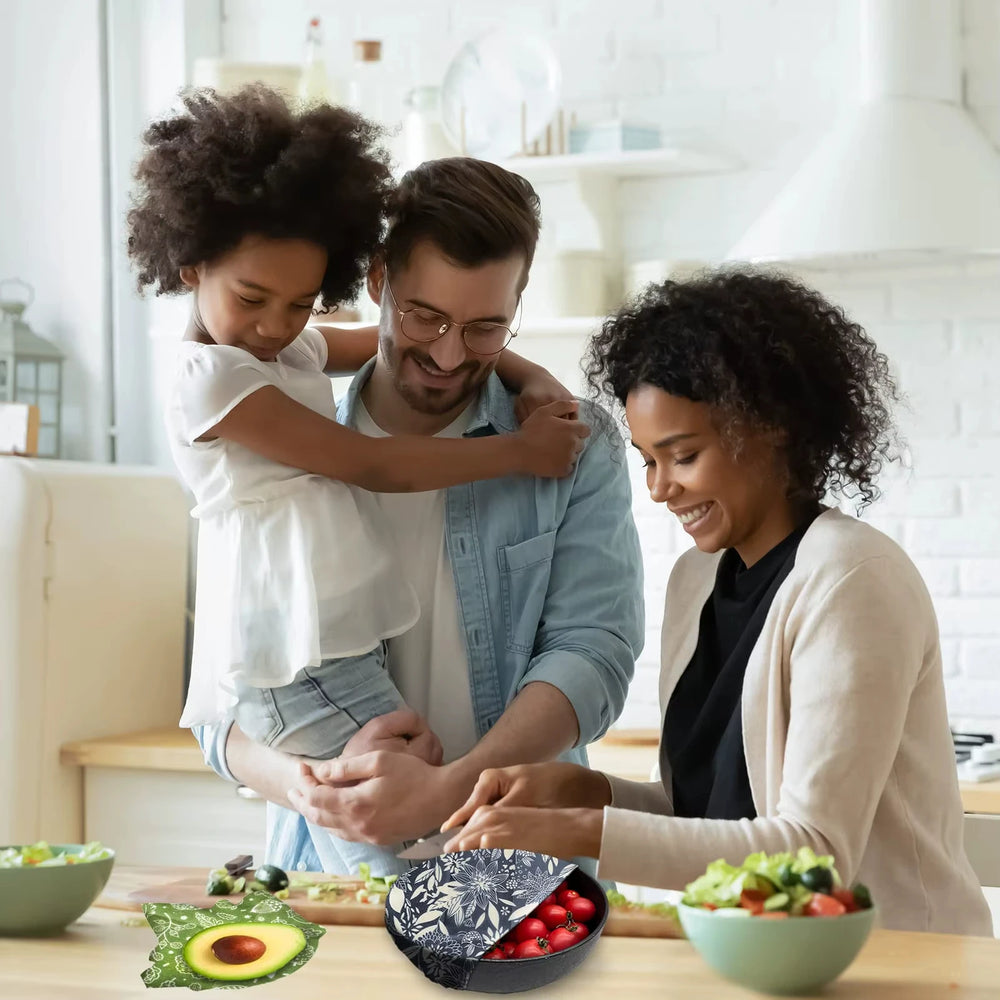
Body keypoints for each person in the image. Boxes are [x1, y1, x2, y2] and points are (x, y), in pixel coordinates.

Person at [441, 269, 993, 936]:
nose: (660, 489)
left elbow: (812, 852)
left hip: (896, 965)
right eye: (648, 460)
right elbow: (708, 815)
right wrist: (581, 789)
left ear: (774, 429)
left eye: (684, 456)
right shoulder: (697, 580)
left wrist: (578, 830)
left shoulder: (852, 580)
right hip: (752, 958)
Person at [127, 85, 592, 876]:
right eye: (253, 299)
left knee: (410, 848)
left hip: (333, 652)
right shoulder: (211, 381)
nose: (279, 324)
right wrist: (518, 453)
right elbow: (371, 465)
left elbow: (376, 343)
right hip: (292, 657)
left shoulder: (284, 348)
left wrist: (526, 368)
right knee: (405, 853)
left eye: (301, 302)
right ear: (190, 262)